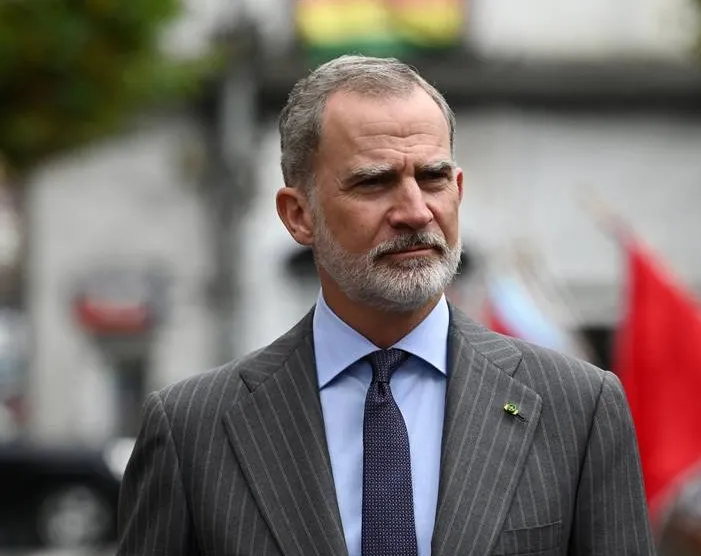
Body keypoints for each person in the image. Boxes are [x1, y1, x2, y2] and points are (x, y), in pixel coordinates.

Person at [117, 55, 655, 556]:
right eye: (374, 182)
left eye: (433, 177)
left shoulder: (578, 409)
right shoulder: (192, 430)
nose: (416, 211)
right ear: (298, 214)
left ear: (458, 189)